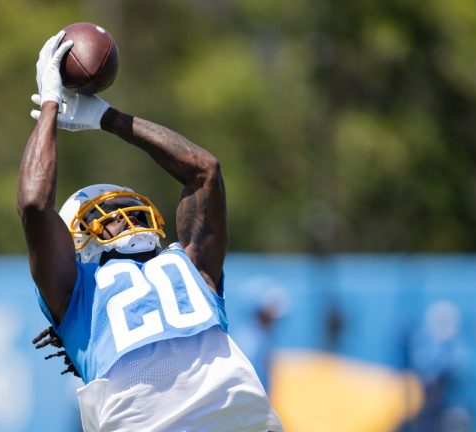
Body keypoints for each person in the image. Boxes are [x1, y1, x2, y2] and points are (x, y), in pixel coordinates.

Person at [17, 30, 283, 431]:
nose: (129, 221)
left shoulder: (192, 267)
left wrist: (106, 117)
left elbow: (203, 169)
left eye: (134, 212)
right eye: (109, 216)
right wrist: (51, 103)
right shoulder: (75, 294)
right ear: (75, 239)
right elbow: (36, 204)